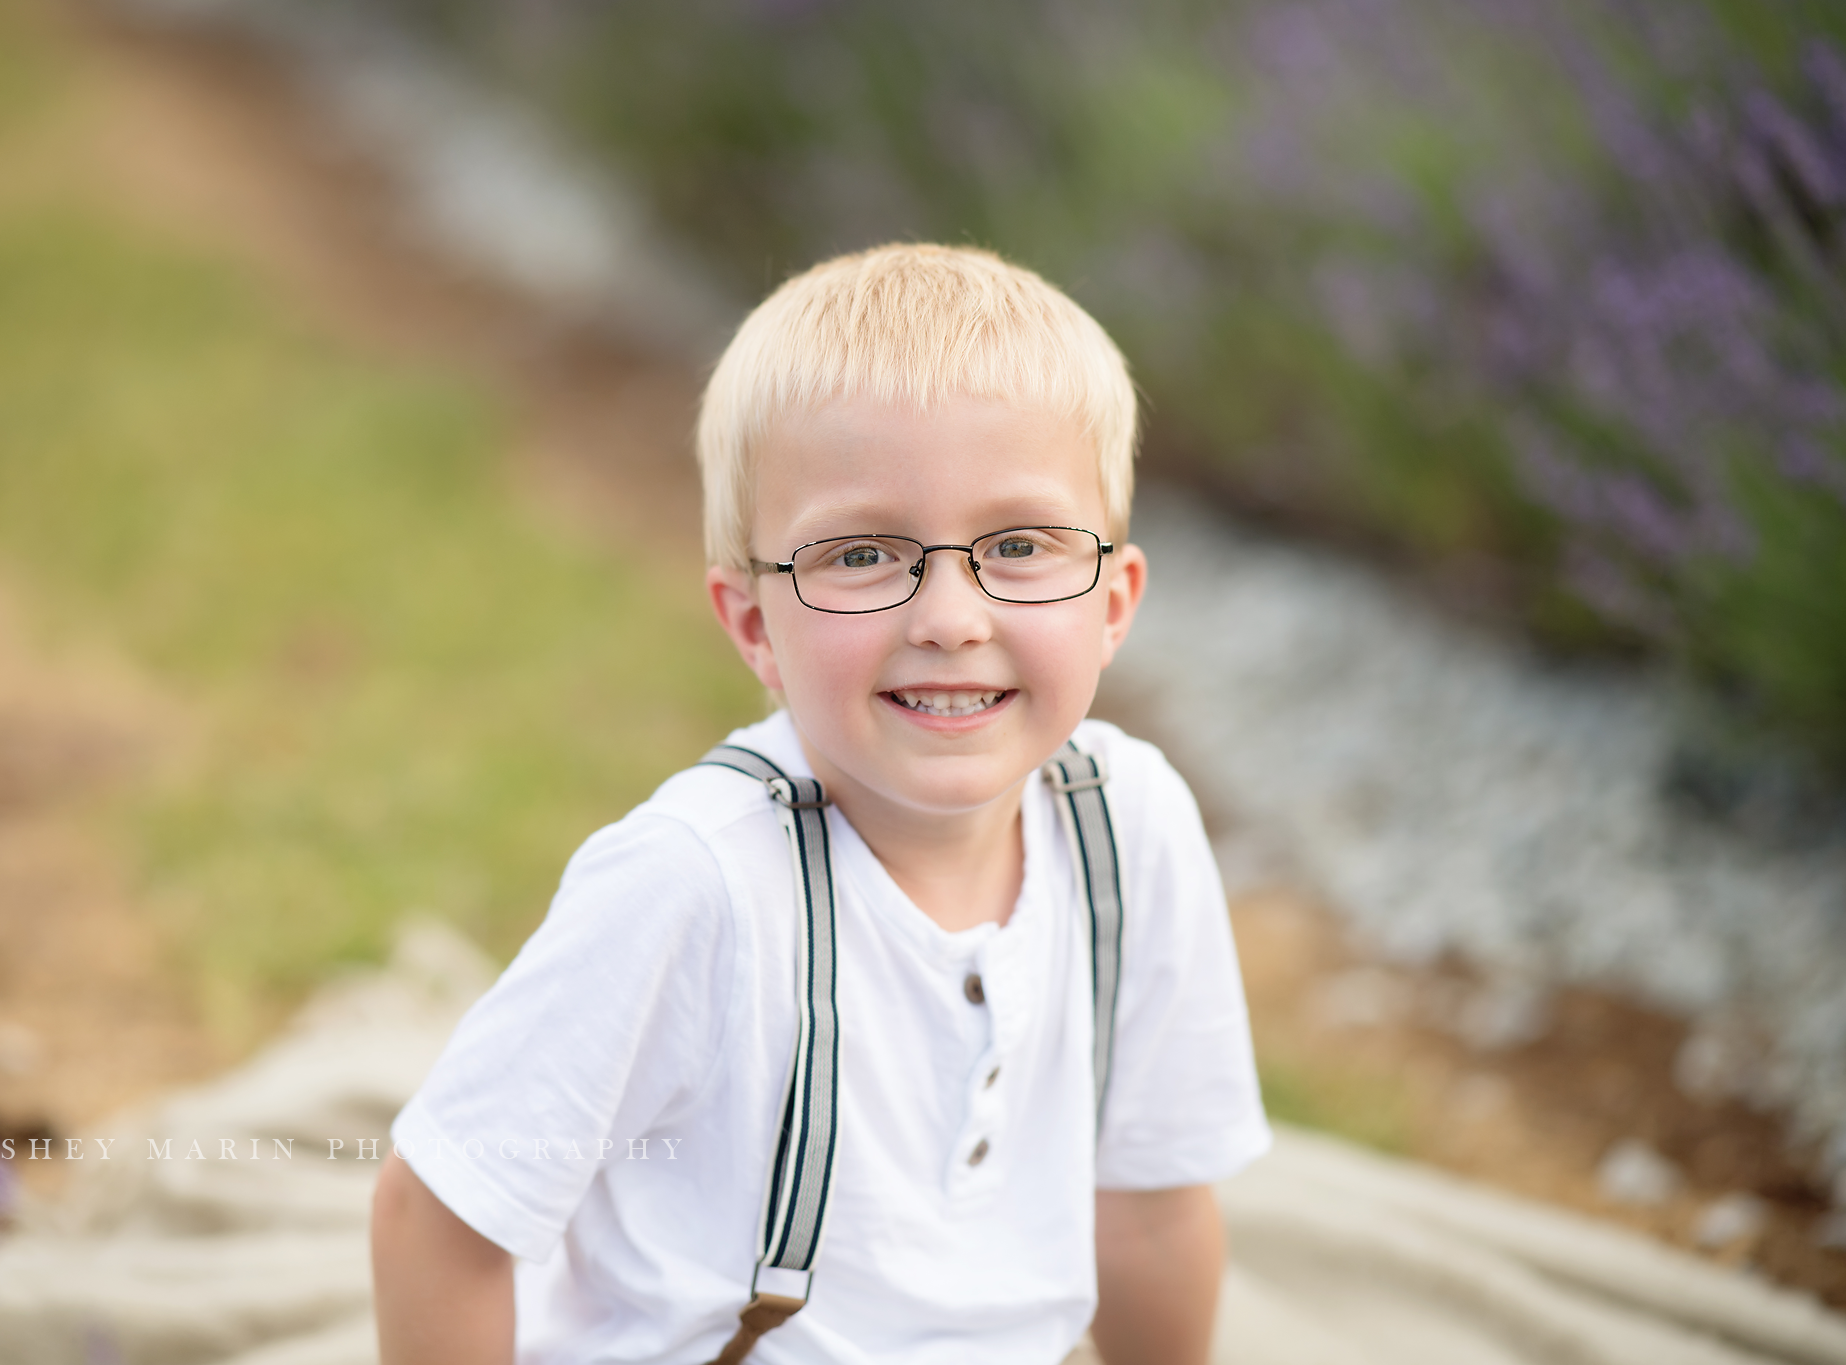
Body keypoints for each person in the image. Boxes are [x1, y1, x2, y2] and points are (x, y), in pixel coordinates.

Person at [371, 243, 1269, 1364]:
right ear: (753, 625)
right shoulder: (692, 881)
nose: (949, 615)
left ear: (1112, 600)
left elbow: (1145, 1208)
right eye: (861, 553)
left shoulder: (1125, 824)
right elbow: (435, 1214)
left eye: (1020, 545)